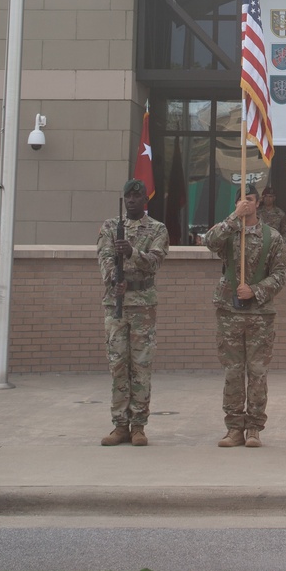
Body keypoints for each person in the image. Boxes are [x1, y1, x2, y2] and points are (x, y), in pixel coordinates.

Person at [205, 190, 286, 447]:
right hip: (229, 312)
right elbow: (209, 241)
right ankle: (233, 427)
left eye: (249, 200)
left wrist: (256, 290)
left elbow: (281, 274)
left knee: (257, 372)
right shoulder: (228, 232)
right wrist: (234, 217)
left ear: (258, 203)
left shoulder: (272, 237)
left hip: (259, 314)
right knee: (233, 372)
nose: (245, 203)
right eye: (240, 200)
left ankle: (253, 427)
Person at [97, 177, 170, 446]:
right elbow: (103, 258)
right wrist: (113, 279)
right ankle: (120, 425)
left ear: (145, 200)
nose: (131, 201)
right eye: (128, 197)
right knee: (118, 365)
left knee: (141, 366)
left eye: (136, 197)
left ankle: (138, 425)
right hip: (115, 304)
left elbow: (154, 262)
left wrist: (132, 252)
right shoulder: (109, 227)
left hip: (143, 305)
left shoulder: (157, 229)